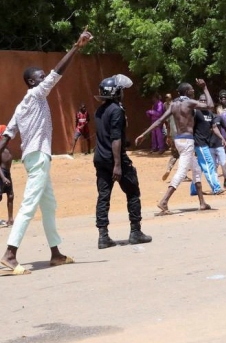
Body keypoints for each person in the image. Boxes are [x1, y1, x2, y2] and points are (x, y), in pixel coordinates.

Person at [0, 29, 92, 275]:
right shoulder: (35, 94)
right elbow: (57, 74)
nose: (45, 78)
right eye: (40, 77)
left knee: (48, 205)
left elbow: (7, 134)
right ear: (32, 82)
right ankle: (9, 254)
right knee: (29, 205)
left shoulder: (22, 106)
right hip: (39, 157)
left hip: (34, 158)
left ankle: (55, 254)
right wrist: (75, 47)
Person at [135, 80, 214, 214]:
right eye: (192, 90)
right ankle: (164, 201)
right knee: (182, 172)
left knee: (196, 168)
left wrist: (144, 134)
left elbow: (160, 120)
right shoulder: (189, 102)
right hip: (188, 141)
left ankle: (202, 202)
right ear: (187, 92)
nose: (193, 91)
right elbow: (210, 106)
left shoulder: (173, 105)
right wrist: (205, 88)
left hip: (178, 140)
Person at [92, 75, 152, 249]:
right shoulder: (117, 110)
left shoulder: (99, 110)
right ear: (116, 92)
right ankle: (136, 232)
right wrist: (118, 165)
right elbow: (115, 138)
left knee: (103, 196)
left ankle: (103, 236)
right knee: (133, 192)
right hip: (114, 160)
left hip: (100, 158)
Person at [194, 93, 224, 195]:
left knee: (199, 167)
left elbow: (214, 127)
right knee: (209, 164)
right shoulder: (196, 113)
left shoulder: (210, 113)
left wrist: (221, 137)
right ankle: (216, 187)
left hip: (205, 143)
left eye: (204, 101)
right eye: (201, 101)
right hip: (199, 143)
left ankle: (194, 190)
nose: (203, 102)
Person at [0, 128, 13, 228]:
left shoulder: (7, 147)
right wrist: (3, 178)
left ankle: (10, 219)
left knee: (11, 195)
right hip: (1, 174)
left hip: (7, 173)